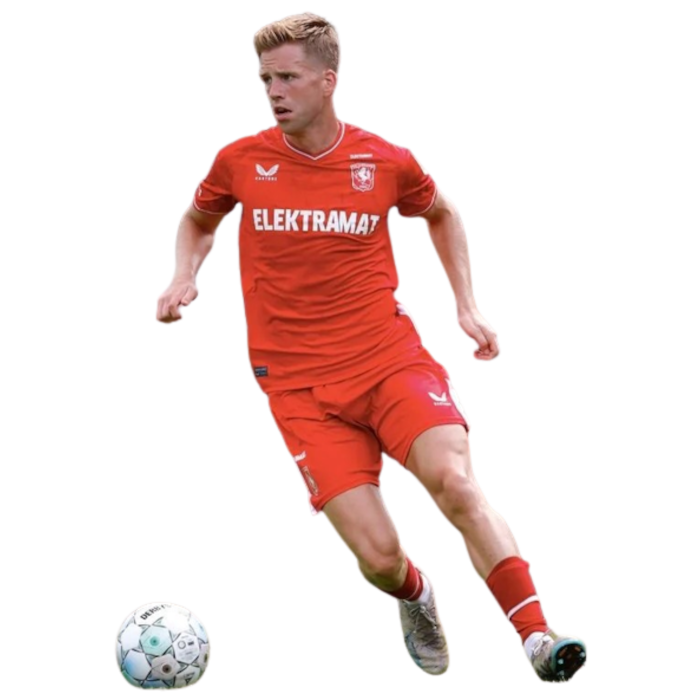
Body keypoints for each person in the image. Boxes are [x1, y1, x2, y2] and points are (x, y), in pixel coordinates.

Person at [154, 10, 587, 683]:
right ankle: (416, 594)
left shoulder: (385, 160)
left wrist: (466, 306)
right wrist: (183, 276)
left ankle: (538, 637)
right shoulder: (239, 160)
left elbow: (441, 211)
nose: (273, 92)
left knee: (456, 485)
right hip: (298, 388)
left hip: (389, 362)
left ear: (329, 79)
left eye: (288, 77)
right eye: (265, 80)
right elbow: (198, 220)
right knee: (380, 561)